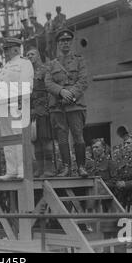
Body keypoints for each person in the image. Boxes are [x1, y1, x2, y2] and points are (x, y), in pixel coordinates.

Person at [45, 29, 89, 178]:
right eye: (62, 41)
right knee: (62, 138)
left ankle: (81, 167)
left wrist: (70, 94)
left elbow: (83, 81)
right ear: (58, 44)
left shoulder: (79, 60)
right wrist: (61, 91)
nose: (65, 43)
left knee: (78, 136)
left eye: (68, 41)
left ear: (71, 42)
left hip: (75, 106)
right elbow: (48, 83)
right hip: (58, 107)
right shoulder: (51, 64)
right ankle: (66, 168)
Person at [0, 37, 34, 181]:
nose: (5, 52)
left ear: (16, 49)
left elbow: (26, 82)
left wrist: (21, 99)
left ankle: (22, 169)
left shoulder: (24, 63)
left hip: (16, 102)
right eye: (4, 49)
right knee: (7, 136)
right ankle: (11, 170)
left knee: (19, 135)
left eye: (7, 49)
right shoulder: (4, 66)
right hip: (3, 104)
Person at [26, 47, 56, 178]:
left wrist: (48, 107)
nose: (29, 57)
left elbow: (49, 89)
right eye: (27, 55)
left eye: (32, 54)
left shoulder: (45, 69)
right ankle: (40, 168)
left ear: (38, 56)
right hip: (31, 110)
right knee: (35, 140)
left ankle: (49, 169)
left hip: (43, 110)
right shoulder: (27, 74)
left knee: (46, 139)